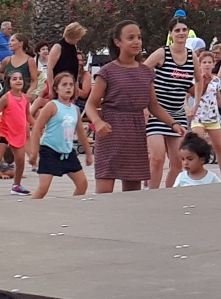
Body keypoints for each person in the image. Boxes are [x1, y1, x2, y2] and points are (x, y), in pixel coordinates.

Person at [84, 22, 177, 193]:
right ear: (118, 42)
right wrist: (97, 122)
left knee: (133, 194)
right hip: (111, 133)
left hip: (135, 134)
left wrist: (173, 123)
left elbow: (153, 105)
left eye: (139, 38)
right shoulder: (107, 71)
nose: (137, 42)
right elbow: (90, 104)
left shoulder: (146, 72)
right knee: (104, 191)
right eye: (131, 38)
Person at [146, 21, 197, 188]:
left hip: (178, 113)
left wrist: (196, 102)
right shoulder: (163, 53)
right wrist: (145, 105)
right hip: (157, 112)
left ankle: (168, 192)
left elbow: (198, 80)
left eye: (184, 30)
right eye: (177, 30)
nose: (181, 33)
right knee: (157, 157)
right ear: (171, 34)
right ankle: (151, 192)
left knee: (178, 161)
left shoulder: (192, 56)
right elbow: (142, 71)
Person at [26, 69, 89, 198]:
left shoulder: (75, 109)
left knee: (82, 184)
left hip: (67, 151)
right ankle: (29, 208)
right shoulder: (52, 106)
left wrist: (88, 153)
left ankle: (71, 207)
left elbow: (81, 132)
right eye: (64, 85)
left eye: (71, 85)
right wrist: (34, 152)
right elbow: (37, 128)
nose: (68, 88)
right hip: (50, 150)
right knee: (43, 188)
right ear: (56, 88)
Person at [0, 67, 33, 195]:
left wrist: (38, 125)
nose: (18, 81)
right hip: (4, 131)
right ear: (9, 83)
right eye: (14, 79)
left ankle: (16, 186)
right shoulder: (6, 98)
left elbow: (27, 115)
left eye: (20, 79)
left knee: (20, 161)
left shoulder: (24, 98)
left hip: (18, 133)